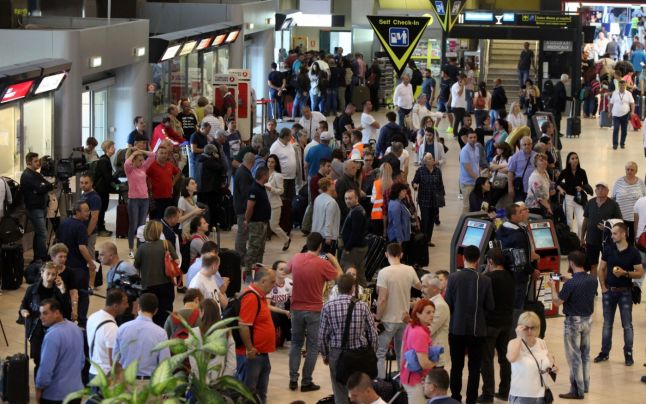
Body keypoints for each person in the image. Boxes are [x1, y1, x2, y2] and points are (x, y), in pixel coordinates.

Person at [286, 232, 343, 392]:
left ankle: (292, 379)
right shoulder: (322, 264)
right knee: (312, 347)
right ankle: (306, 381)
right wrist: (335, 261)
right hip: (315, 310)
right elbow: (341, 279)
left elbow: (286, 269)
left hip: (296, 308)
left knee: (295, 344)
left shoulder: (296, 258)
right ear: (320, 246)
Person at [445, 245, 494, 404]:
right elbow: (490, 306)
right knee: (474, 368)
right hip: (477, 330)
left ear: (463, 258)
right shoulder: (485, 280)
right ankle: (471, 400)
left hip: (456, 328)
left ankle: (455, 398)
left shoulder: (453, 278)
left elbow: (448, 304)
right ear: (478, 259)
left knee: (456, 367)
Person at [319, 274, 378, 404]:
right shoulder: (362, 305)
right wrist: (372, 352)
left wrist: (325, 354)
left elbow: (322, 335)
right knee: (360, 387)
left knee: (339, 389)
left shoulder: (328, 306)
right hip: (360, 353)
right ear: (352, 288)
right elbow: (373, 333)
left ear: (337, 288)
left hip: (337, 353)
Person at [548, 251, 598, 399]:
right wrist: (566, 280)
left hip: (573, 323)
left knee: (574, 357)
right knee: (585, 354)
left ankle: (577, 391)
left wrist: (553, 286)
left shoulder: (570, 284)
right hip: (587, 320)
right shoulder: (592, 280)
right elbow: (578, 284)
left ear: (571, 263)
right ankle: (585, 385)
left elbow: (557, 302)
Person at [594, 222, 643, 366]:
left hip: (626, 293)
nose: (612, 236)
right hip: (610, 291)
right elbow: (601, 268)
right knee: (607, 323)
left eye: (615, 233)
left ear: (623, 234)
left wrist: (625, 273)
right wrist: (602, 287)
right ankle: (604, 352)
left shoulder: (633, 252)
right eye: (612, 233)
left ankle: (628, 354)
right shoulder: (608, 249)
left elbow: (639, 273)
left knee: (627, 325)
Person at [375, 243, 422, 379]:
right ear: (401, 255)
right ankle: (402, 382)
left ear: (386, 254)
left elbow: (382, 299)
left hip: (388, 320)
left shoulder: (384, 272)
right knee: (402, 353)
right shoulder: (409, 270)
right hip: (404, 319)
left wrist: (378, 318)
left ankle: (381, 383)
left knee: (380, 352)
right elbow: (420, 286)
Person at [19, 262, 71, 378]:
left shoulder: (58, 291)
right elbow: (24, 305)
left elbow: (67, 311)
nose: (50, 277)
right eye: (48, 274)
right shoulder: (32, 289)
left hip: (53, 330)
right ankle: (39, 383)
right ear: (42, 273)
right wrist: (23, 311)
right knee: (38, 360)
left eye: (53, 275)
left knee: (53, 359)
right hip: (36, 329)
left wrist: (63, 291)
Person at [236, 267, 277, 404]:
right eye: (272, 282)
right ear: (263, 281)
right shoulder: (251, 297)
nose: (274, 285)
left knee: (260, 393)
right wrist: (250, 348)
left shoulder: (260, 296)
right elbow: (243, 325)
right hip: (253, 356)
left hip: (262, 354)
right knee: (249, 394)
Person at [479, 248, 515, 403]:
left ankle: (487, 394)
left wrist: (485, 272)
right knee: (504, 358)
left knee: (486, 359)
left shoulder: (487, 278)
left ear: (491, 262)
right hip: (507, 322)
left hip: (490, 324)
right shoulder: (510, 276)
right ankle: (505, 391)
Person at [35, 299, 84, 404]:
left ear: (57, 313)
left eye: (45, 313)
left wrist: (39, 389)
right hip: (76, 392)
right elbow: (82, 361)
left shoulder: (52, 336)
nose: (41, 317)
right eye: (40, 313)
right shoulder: (76, 328)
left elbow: (45, 370)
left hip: (55, 396)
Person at [56, 201, 95, 327]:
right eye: (86, 210)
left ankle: (67, 318)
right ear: (77, 212)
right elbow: (82, 248)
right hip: (78, 267)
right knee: (83, 294)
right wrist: (91, 263)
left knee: (67, 293)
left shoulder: (64, 223)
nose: (88, 213)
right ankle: (82, 321)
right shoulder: (81, 227)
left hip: (65, 266)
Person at [113, 293, 171, 378]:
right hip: (148, 383)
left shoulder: (122, 328)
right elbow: (164, 364)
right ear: (156, 311)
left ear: (138, 307)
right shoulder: (161, 333)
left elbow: (115, 358)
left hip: (126, 381)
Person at [134, 220, 178, 327]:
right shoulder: (166, 244)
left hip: (148, 286)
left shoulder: (141, 248)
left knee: (148, 314)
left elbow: (136, 266)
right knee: (165, 314)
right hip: (166, 284)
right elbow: (176, 261)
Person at [507, 311, 557, 403]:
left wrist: (551, 369)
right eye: (526, 328)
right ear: (520, 328)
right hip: (522, 395)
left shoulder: (542, 343)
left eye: (532, 328)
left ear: (537, 328)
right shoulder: (514, 343)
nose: (529, 331)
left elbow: (542, 364)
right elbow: (511, 358)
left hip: (541, 395)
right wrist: (519, 337)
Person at [86, 289, 129, 380]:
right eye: (125, 303)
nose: (127, 306)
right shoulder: (112, 328)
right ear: (116, 306)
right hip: (105, 376)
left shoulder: (92, 317)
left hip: (93, 371)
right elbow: (113, 360)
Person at [582, 182, 623, 277]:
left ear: (607, 191)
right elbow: (585, 221)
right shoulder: (590, 203)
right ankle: (593, 287)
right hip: (591, 239)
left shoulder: (613, 204)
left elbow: (619, 222)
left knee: (606, 265)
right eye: (598, 188)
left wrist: (607, 228)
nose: (600, 190)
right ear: (595, 191)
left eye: (603, 188)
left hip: (607, 240)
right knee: (593, 265)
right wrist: (581, 238)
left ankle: (605, 287)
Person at [401, 299, 437, 403]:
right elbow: (424, 363)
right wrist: (435, 362)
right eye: (428, 312)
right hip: (416, 380)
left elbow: (402, 349)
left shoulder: (411, 326)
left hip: (407, 376)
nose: (432, 315)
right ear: (418, 314)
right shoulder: (420, 333)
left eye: (433, 312)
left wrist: (401, 371)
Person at [20, 152, 54, 262]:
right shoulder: (27, 175)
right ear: (29, 162)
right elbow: (41, 188)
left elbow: (47, 185)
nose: (38, 163)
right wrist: (44, 187)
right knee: (42, 233)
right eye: (35, 161)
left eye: (38, 161)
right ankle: (42, 256)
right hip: (34, 208)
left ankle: (38, 256)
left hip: (40, 206)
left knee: (39, 233)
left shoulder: (35, 174)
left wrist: (44, 186)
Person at [124, 148, 154, 257]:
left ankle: (140, 248)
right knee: (133, 225)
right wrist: (134, 154)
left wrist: (141, 150)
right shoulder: (129, 170)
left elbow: (152, 156)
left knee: (141, 226)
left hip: (145, 199)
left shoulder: (144, 168)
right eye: (139, 160)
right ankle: (131, 249)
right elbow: (127, 162)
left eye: (142, 160)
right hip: (133, 200)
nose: (142, 162)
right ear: (134, 161)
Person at [556, 152, 592, 238]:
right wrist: (560, 190)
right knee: (569, 223)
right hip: (568, 199)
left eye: (576, 158)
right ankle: (570, 242)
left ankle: (580, 241)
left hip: (579, 199)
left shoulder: (582, 171)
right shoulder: (565, 172)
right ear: (568, 161)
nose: (575, 160)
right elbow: (557, 183)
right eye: (572, 158)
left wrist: (582, 187)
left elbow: (586, 184)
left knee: (581, 222)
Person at [412, 153, 445, 246]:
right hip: (424, 200)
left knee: (431, 220)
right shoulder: (420, 171)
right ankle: (422, 239)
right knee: (425, 220)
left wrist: (442, 197)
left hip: (434, 200)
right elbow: (414, 181)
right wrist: (414, 185)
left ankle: (428, 240)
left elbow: (440, 185)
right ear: (425, 161)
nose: (432, 159)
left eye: (432, 158)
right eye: (430, 158)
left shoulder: (437, 171)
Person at [269, 128, 298, 233]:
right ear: (285, 136)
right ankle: (278, 226)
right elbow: (272, 163)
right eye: (290, 136)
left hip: (291, 178)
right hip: (282, 179)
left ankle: (287, 224)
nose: (291, 137)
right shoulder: (275, 147)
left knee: (289, 202)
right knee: (281, 202)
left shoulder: (289, 143)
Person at [244, 166, 272, 274]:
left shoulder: (261, 187)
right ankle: (248, 272)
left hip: (263, 223)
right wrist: (247, 220)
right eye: (268, 174)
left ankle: (258, 270)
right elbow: (250, 207)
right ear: (264, 175)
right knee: (253, 248)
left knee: (260, 248)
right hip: (256, 224)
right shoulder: (254, 189)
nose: (269, 176)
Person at [420, 274, 450, 368]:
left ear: (434, 288)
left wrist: (410, 322)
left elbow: (429, 330)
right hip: (428, 351)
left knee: (434, 381)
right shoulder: (430, 302)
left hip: (435, 353)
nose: (421, 289)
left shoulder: (440, 305)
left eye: (424, 286)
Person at [612, 161, 646, 243]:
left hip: (636, 219)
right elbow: (613, 198)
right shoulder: (618, 182)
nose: (629, 171)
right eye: (627, 169)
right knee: (621, 240)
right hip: (621, 218)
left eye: (632, 170)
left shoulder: (641, 183)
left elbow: (644, 199)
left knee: (633, 241)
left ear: (636, 171)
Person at [340, 189, 369, 284]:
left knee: (347, 272)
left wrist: (347, 248)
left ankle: (346, 295)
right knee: (359, 273)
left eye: (350, 198)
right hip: (359, 246)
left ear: (356, 198)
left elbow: (355, 233)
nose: (347, 201)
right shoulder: (357, 209)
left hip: (354, 248)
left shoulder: (356, 212)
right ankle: (362, 295)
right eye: (346, 198)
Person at [146, 145, 181, 220]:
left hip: (168, 197)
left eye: (165, 153)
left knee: (166, 219)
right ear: (157, 154)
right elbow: (146, 177)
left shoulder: (170, 165)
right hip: (156, 198)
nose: (164, 155)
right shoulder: (152, 166)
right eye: (161, 153)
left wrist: (172, 183)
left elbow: (178, 172)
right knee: (156, 219)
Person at [93, 140, 118, 237]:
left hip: (102, 189)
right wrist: (116, 186)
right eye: (112, 147)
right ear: (107, 149)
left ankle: (101, 228)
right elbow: (107, 177)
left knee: (102, 209)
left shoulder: (105, 159)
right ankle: (100, 229)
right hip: (101, 190)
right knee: (101, 209)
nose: (114, 149)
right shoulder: (104, 161)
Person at [265, 154, 291, 250]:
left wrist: (271, 189)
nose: (270, 164)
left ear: (276, 164)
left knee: (273, 226)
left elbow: (281, 191)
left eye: (272, 162)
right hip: (265, 204)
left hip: (275, 204)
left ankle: (286, 239)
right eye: (268, 161)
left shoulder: (278, 176)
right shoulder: (264, 173)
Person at [312, 177, 341, 255]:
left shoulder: (318, 198)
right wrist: (328, 236)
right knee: (327, 260)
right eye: (332, 183)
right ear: (328, 186)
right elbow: (329, 220)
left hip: (317, 234)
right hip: (327, 237)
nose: (334, 185)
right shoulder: (331, 202)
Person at [234, 152, 255, 256]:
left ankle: (241, 253)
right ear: (252, 162)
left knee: (243, 233)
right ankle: (240, 255)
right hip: (243, 208)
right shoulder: (244, 174)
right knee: (242, 233)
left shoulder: (242, 171)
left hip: (241, 206)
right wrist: (248, 210)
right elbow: (246, 194)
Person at [508, 136, 537, 202]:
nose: (527, 146)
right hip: (520, 187)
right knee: (519, 206)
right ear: (521, 146)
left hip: (533, 188)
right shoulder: (515, 157)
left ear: (532, 145)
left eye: (529, 144)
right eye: (524, 144)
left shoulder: (536, 156)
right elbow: (510, 172)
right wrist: (510, 187)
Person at [609, 79, 635, 149]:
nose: (622, 87)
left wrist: (632, 111)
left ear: (625, 86)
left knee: (624, 130)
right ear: (618, 86)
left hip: (625, 114)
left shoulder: (629, 94)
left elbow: (632, 103)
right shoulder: (615, 93)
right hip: (615, 114)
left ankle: (622, 143)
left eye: (623, 85)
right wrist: (609, 112)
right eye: (620, 86)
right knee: (616, 128)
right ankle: (615, 144)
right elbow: (611, 103)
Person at [459, 131, 481, 212]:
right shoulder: (465, 151)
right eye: (470, 138)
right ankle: (462, 224)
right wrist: (478, 179)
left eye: (474, 137)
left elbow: (476, 164)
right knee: (467, 206)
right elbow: (468, 168)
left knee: (474, 205)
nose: (473, 139)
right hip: (467, 183)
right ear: (467, 139)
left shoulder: (477, 148)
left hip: (474, 181)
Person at [489, 142, 512, 207]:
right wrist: (502, 167)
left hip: (504, 182)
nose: (497, 150)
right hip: (493, 180)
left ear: (505, 150)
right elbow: (491, 167)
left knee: (494, 198)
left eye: (500, 148)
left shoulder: (510, 158)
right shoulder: (496, 157)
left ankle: (490, 209)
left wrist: (497, 167)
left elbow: (509, 169)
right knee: (489, 197)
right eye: (497, 148)